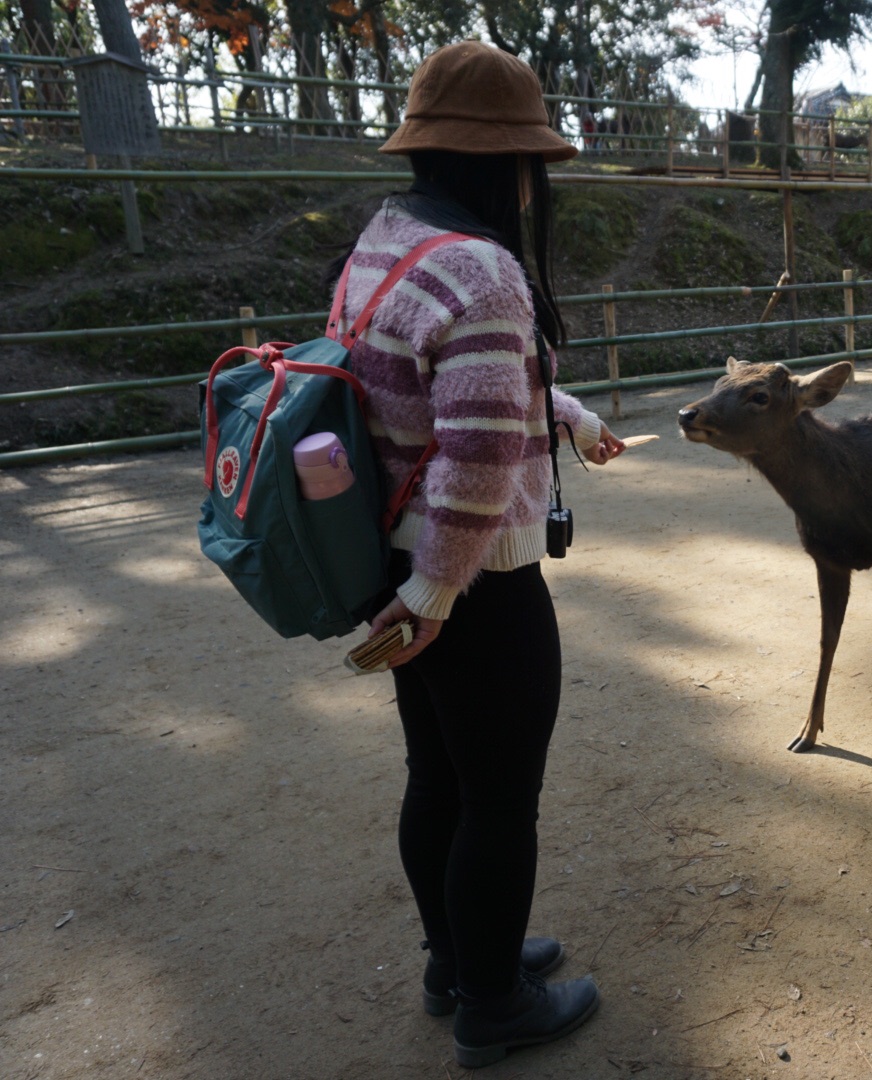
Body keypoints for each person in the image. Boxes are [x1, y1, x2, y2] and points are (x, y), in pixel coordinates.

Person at [328, 41, 625, 1069]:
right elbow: (480, 457)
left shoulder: (390, 237)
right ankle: (496, 1006)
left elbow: (439, 391)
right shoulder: (485, 269)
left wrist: (574, 420)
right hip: (475, 583)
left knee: (438, 777)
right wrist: (441, 591)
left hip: (397, 564)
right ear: (509, 160)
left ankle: (456, 961)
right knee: (500, 801)